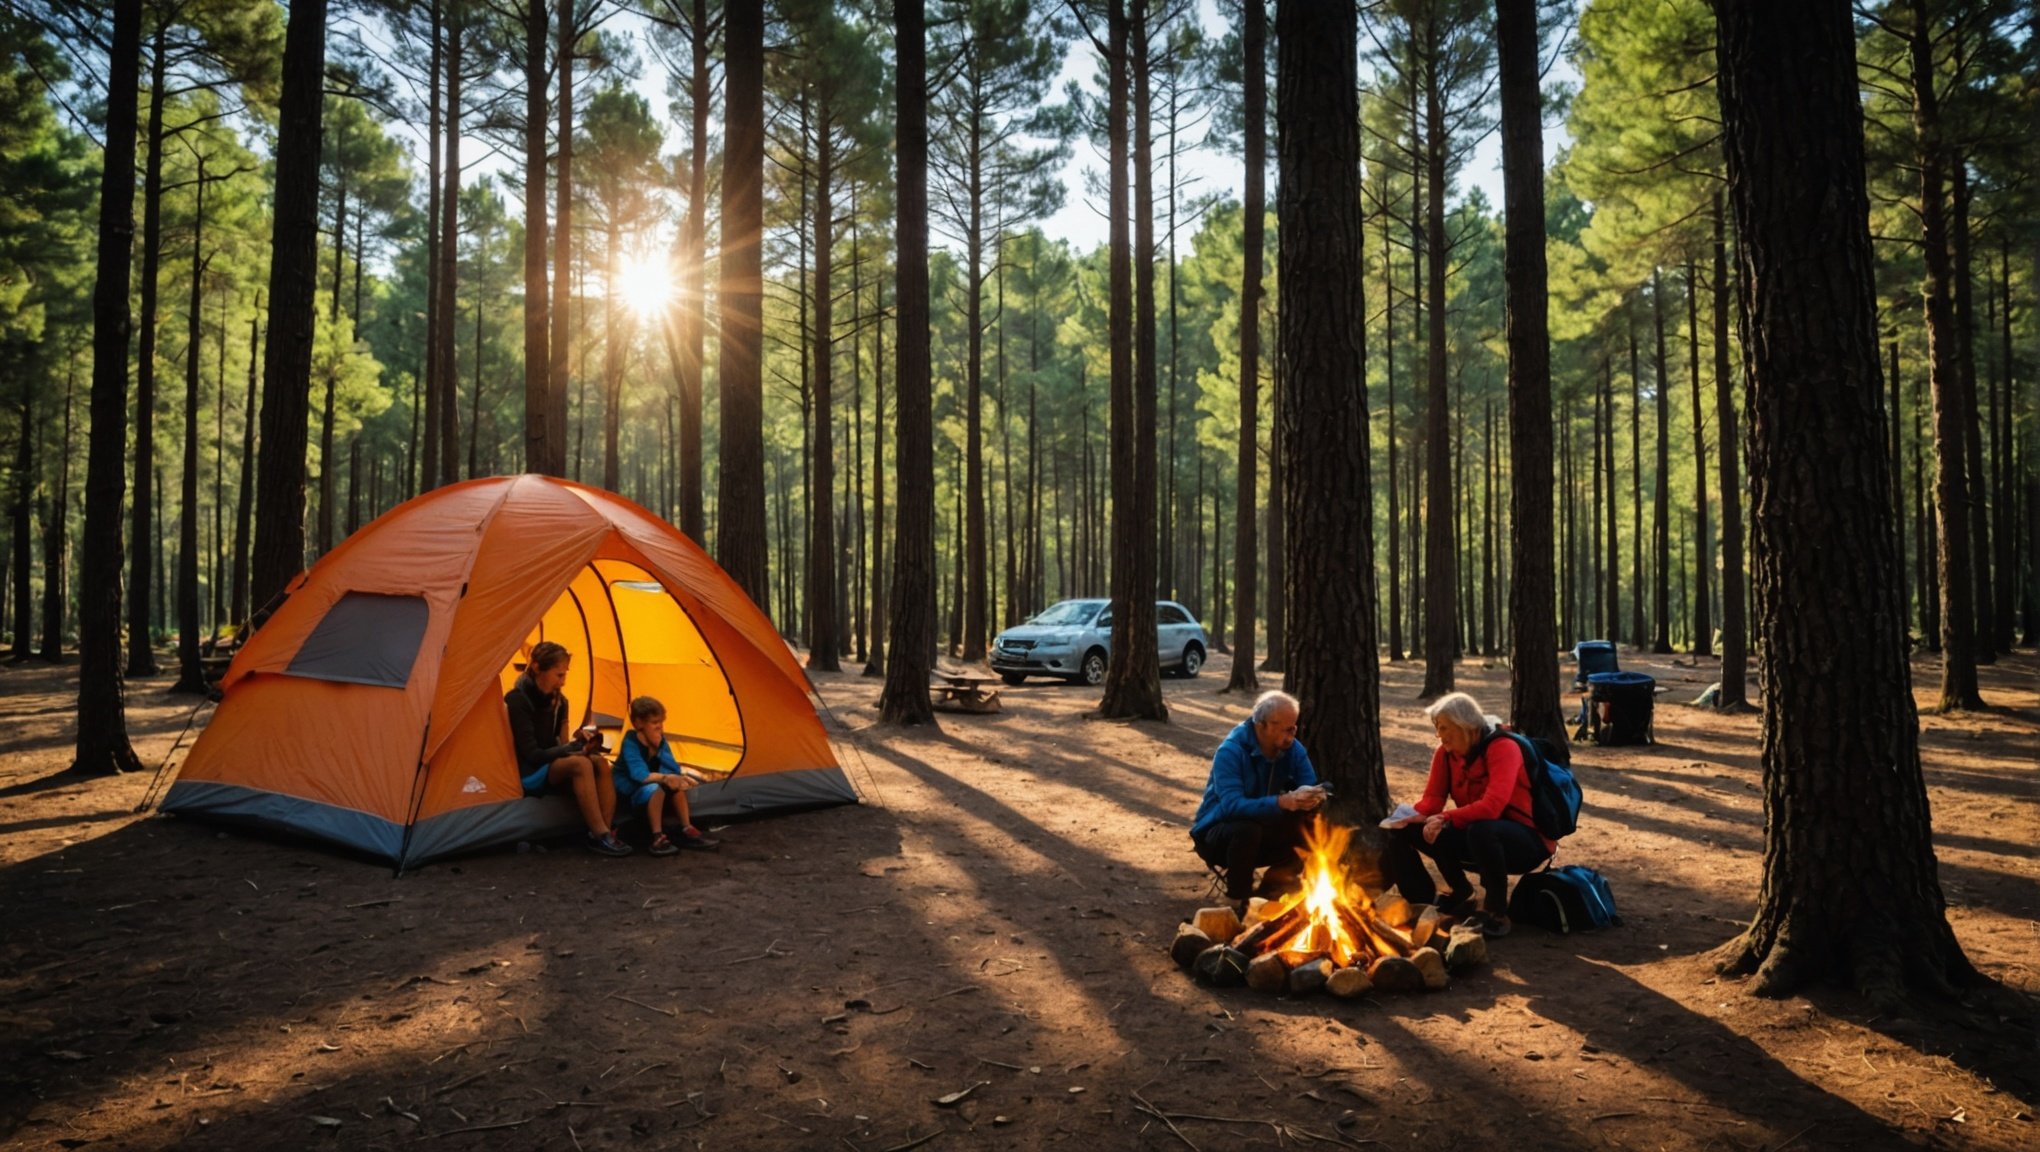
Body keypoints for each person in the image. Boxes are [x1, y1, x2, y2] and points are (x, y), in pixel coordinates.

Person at [1381, 691, 1554, 937]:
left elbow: (1492, 806)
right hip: (1479, 837)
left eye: (1443, 727)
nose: (1438, 734)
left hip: (1526, 843)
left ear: (1465, 726)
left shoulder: (1504, 747)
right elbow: (1433, 800)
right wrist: (1406, 818)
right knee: (1403, 830)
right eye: (1437, 727)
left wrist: (1445, 818)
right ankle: (1431, 899)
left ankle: (1495, 912)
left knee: (1481, 828)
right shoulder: (1445, 753)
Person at [1190, 690, 1327, 912]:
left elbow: (1308, 782)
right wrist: (1281, 802)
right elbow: (1231, 806)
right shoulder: (1231, 751)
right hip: (1217, 836)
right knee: (1246, 829)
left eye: (1294, 728)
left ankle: (1270, 892)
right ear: (1264, 725)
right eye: (1287, 729)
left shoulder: (1292, 749)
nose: (1293, 735)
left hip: (1263, 832)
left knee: (1312, 825)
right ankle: (1237, 902)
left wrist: (1309, 798)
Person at [505, 641, 630, 856]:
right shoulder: (517, 700)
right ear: (537, 669)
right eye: (558, 675)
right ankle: (600, 835)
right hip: (530, 771)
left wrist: (581, 743)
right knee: (580, 764)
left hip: (552, 764)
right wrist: (572, 751)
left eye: (564, 675)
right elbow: (532, 754)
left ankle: (605, 831)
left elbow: (562, 745)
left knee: (599, 761)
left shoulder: (561, 702)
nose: (562, 683)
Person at [615, 695, 721, 855]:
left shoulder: (660, 742)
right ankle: (657, 837)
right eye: (654, 723)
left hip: (649, 790)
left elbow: (672, 769)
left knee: (673, 785)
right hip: (629, 792)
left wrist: (661, 756)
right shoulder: (631, 742)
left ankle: (686, 827)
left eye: (661, 723)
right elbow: (639, 776)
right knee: (657, 787)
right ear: (638, 724)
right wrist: (665, 778)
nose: (660, 728)